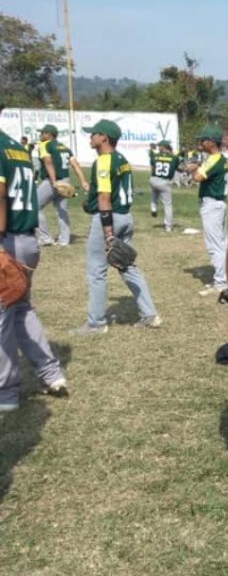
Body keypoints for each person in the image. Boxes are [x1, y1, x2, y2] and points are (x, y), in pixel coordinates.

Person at [0, 110, 68, 410]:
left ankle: (6, 392)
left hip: (8, 238)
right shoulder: (15, 146)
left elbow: (0, 194)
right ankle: (52, 373)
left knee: (2, 318)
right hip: (27, 239)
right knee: (21, 310)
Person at [74, 119, 161, 334]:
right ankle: (149, 314)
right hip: (125, 216)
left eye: (94, 134)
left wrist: (108, 233)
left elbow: (105, 198)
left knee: (96, 271)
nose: (90, 137)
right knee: (127, 266)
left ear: (104, 137)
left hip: (109, 219)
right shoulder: (122, 159)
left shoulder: (104, 161)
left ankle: (96, 324)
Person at [188, 124, 228, 302]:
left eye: (203, 140)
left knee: (215, 246)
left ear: (212, 142)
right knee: (221, 243)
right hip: (218, 203)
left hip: (212, 204)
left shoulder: (214, 159)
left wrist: (192, 169)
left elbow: (197, 177)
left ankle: (221, 283)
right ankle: (225, 278)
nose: (200, 142)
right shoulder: (221, 158)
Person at [36, 123, 89, 246]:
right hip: (65, 181)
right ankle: (64, 239)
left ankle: (45, 237)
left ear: (49, 135)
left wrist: (54, 182)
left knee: (34, 206)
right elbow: (75, 165)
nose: (40, 135)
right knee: (62, 210)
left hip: (52, 181)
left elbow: (48, 162)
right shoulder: (64, 147)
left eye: (42, 133)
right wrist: (83, 182)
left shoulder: (45, 145)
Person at [149, 140, 179, 232]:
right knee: (168, 204)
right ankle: (168, 226)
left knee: (155, 191)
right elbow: (177, 167)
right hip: (165, 181)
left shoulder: (155, 156)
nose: (158, 148)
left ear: (162, 147)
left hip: (153, 179)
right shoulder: (174, 157)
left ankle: (153, 206)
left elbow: (153, 166)